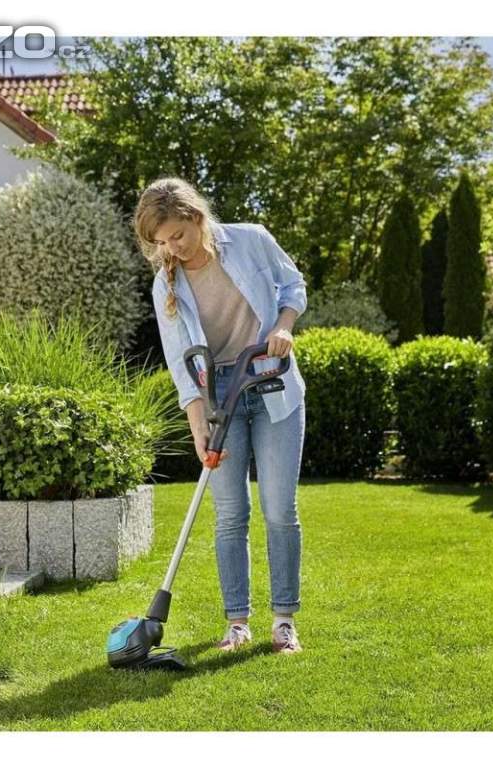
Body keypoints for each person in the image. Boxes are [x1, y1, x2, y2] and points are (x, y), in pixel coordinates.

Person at [134, 176, 307, 654]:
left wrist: (284, 326)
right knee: (230, 513)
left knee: (279, 508)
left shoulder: (251, 240)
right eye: (161, 242)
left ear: (197, 217)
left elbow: (293, 284)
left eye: (177, 235)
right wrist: (198, 425)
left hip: (271, 381)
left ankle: (284, 621)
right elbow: (179, 361)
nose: (171, 249)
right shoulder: (166, 282)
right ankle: (237, 623)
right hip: (218, 396)